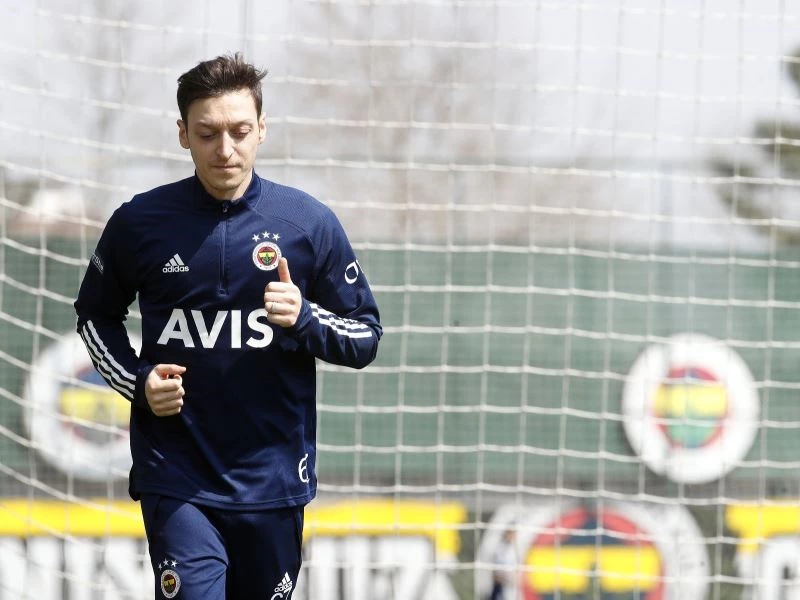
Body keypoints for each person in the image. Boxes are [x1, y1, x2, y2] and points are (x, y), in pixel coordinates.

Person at [74, 53, 382, 599]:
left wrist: (304, 317)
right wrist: (139, 384)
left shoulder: (307, 223)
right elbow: (95, 315)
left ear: (262, 129)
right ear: (182, 134)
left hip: (273, 481)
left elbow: (365, 337)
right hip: (177, 475)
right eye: (207, 133)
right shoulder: (140, 222)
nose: (225, 149)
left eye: (239, 131)